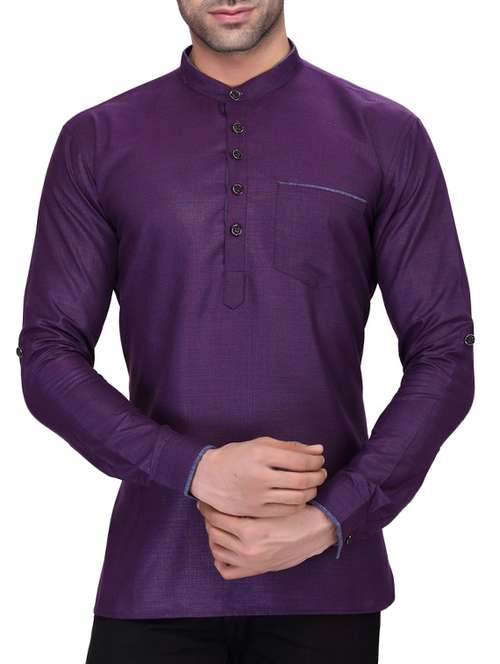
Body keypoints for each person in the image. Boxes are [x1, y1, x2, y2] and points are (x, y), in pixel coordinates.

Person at [16, 1, 475, 662]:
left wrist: (332, 518)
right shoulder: (98, 139)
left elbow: (445, 353)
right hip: (155, 577)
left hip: (328, 586)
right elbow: (47, 354)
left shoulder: (384, 134)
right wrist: (194, 469)